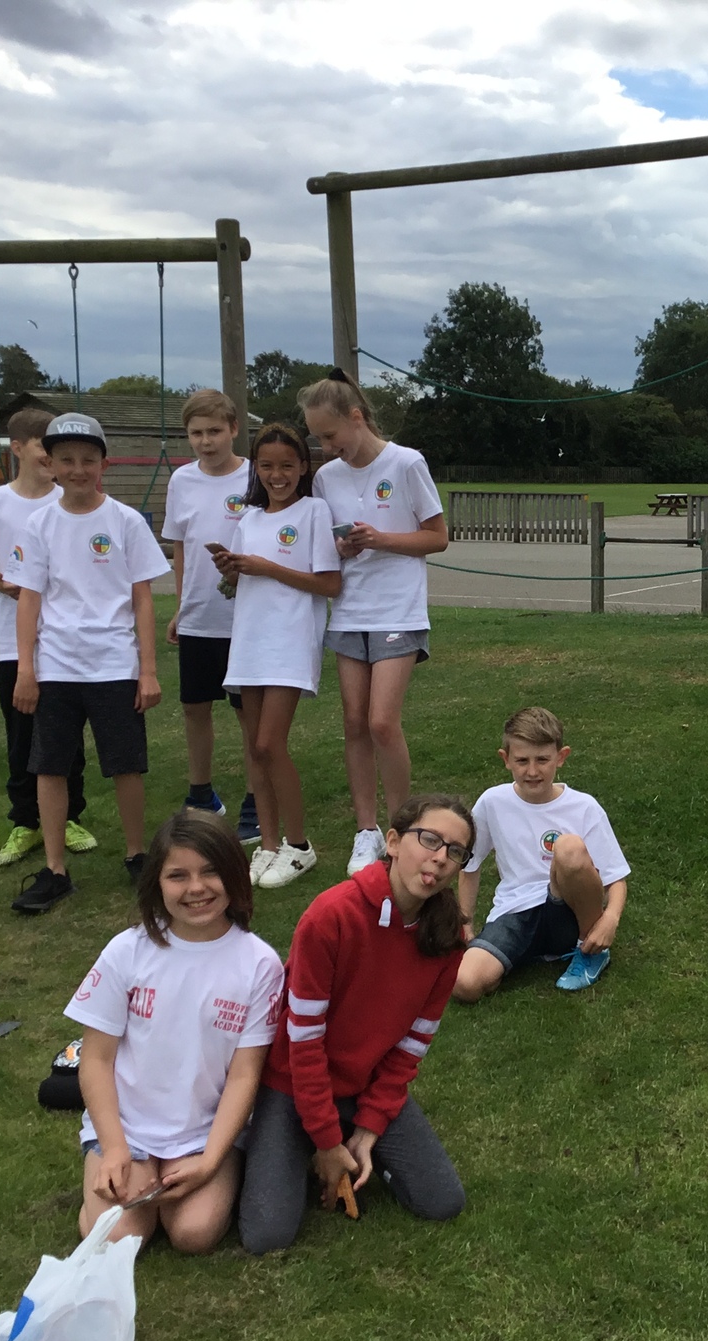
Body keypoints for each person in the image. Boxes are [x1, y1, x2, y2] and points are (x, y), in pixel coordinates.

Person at [238, 794, 475, 1254]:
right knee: (267, 1234)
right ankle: (269, 1139)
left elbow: (411, 1047)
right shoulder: (331, 915)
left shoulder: (448, 938)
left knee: (442, 1201)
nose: (440, 858)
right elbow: (303, 1042)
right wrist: (327, 1143)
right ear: (393, 842)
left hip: (363, 1085)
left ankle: (344, 1141)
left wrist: (369, 1128)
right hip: (292, 1084)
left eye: (455, 851)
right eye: (429, 840)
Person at [70, 812, 282, 1253]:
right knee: (119, 1237)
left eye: (210, 872)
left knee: (193, 1233)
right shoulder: (127, 951)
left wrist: (210, 1160)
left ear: (235, 875)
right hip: (128, 1129)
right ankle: (108, 1177)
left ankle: (208, 1174)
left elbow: (245, 1075)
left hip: (203, 1132)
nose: (196, 888)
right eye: (178, 875)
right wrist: (115, 1149)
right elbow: (96, 1060)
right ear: (157, 883)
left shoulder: (260, 964)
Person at [9, 413, 171, 914]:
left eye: (87, 460)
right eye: (66, 460)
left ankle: (137, 856)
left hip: (114, 664)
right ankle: (55, 870)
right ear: (51, 464)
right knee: (50, 765)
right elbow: (29, 599)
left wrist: (147, 670)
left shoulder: (125, 521)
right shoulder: (39, 524)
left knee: (126, 763)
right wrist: (26, 668)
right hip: (56, 666)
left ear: (104, 463)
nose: (77, 470)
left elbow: (142, 598)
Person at [301, 371, 450, 875]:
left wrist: (380, 539)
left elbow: (437, 537)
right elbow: (329, 545)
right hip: (349, 610)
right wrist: (343, 546)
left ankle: (401, 830)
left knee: (382, 722)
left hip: (398, 609)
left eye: (330, 435)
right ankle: (366, 831)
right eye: (319, 439)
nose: (326, 448)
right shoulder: (327, 477)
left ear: (356, 417)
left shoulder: (406, 463)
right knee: (353, 722)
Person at [211, 424, 343, 890]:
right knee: (254, 748)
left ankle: (299, 845)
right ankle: (268, 846)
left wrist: (267, 567)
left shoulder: (314, 511)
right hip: (249, 640)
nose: (277, 475)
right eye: (266, 466)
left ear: (304, 466)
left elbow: (329, 583)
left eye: (287, 465)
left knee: (270, 744)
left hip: (289, 641)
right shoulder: (248, 520)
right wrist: (231, 570)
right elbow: (239, 583)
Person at [0, 407, 98, 868]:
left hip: (63, 642)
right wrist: (4, 583)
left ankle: (70, 817)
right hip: (12, 641)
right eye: (45, 444)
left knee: (66, 735)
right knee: (21, 734)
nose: (52, 454)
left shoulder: (71, 501)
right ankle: (25, 821)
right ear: (18, 448)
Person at [452, 706, 629, 1000]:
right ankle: (516, 954)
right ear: (505, 759)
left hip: (567, 913)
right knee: (464, 984)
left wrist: (610, 920)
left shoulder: (584, 807)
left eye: (543, 760)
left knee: (569, 848)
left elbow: (616, 878)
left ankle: (590, 951)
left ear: (561, 757)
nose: (532, 771)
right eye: (522, 760)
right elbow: (470, 864)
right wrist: (466, 922)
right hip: (514, 912)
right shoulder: (492, 802)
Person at [160, 389, 258, 839]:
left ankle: (255, 800)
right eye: (196, 433)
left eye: (214, 431)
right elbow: (181, 548)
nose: (205, 441)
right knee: (194, 707)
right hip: (199, 616)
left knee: (248, 713)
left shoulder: (255, 477)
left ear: (234, 429)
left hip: (246, 617)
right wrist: (181, 606)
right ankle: (201, 794)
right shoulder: (181, 480)